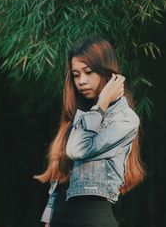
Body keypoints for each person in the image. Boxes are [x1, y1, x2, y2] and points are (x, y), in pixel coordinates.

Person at [34, 35, 146, 227]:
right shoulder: (78, 117)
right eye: (76, 74)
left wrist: (102, 103)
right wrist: (47, 219)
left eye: (88, 72)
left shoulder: (125, 119)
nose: (81, 81)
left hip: (93, 220)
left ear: (108, 73)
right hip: (60, 219)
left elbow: (78, 150)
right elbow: (61, 177)